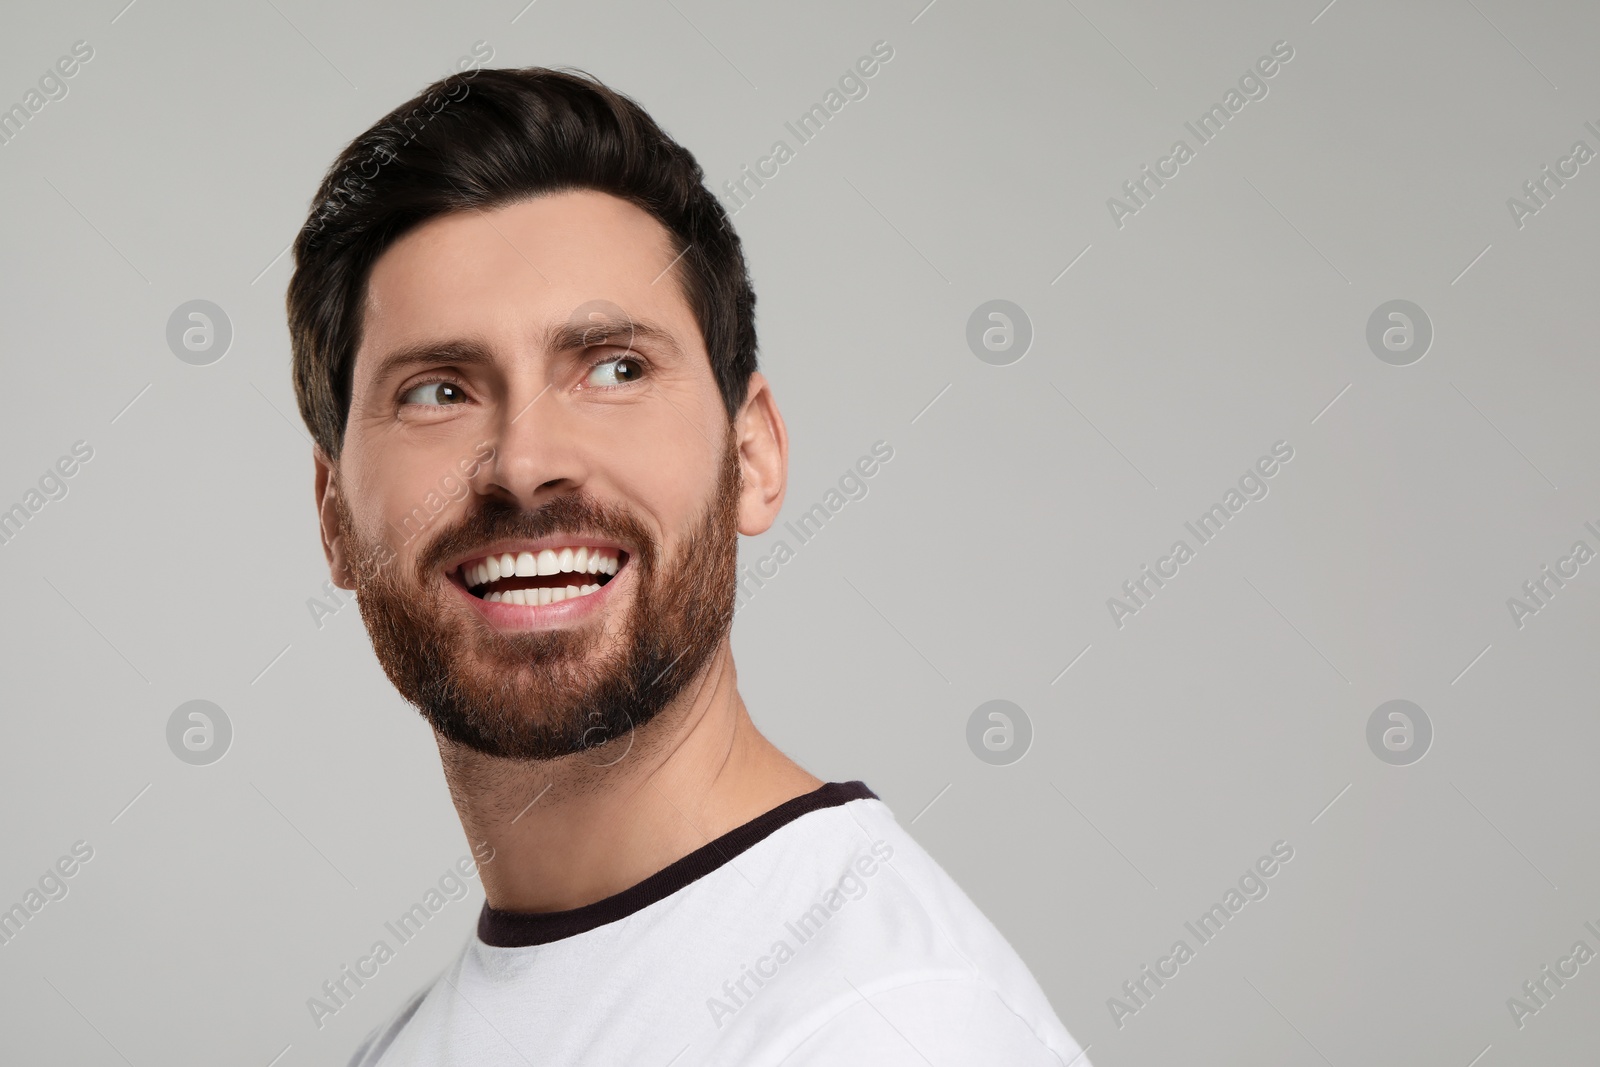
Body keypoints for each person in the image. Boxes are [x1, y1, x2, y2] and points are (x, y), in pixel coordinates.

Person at [287, 65, 1089, 1066]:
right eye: (438, 390)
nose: (526, 464)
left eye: (614, 368)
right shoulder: (404, 1043)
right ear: (333, 516)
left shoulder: (893, 1025)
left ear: (751, 455)